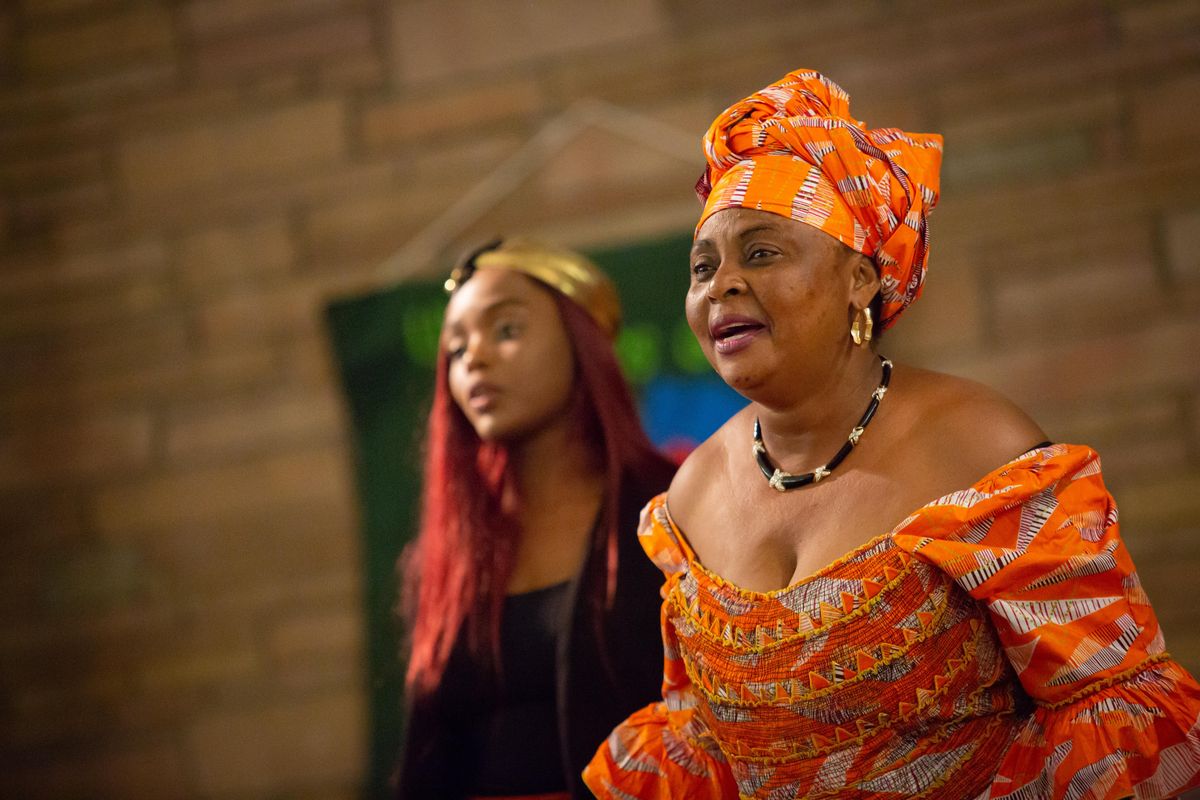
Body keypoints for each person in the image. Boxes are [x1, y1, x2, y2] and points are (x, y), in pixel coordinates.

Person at [584, 69, 1200, 799]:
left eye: (760, 252)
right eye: (702, 266)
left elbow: (1114, 715)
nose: (721, 285)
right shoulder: (691, 495)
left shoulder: (980, 449)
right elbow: (698, 749)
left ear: (860, 280)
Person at [394, 239, 676, 799]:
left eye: (506, 330)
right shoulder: (447, 549)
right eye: (454, 347)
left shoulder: (671, 510)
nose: (473, 358)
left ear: (583, 344)